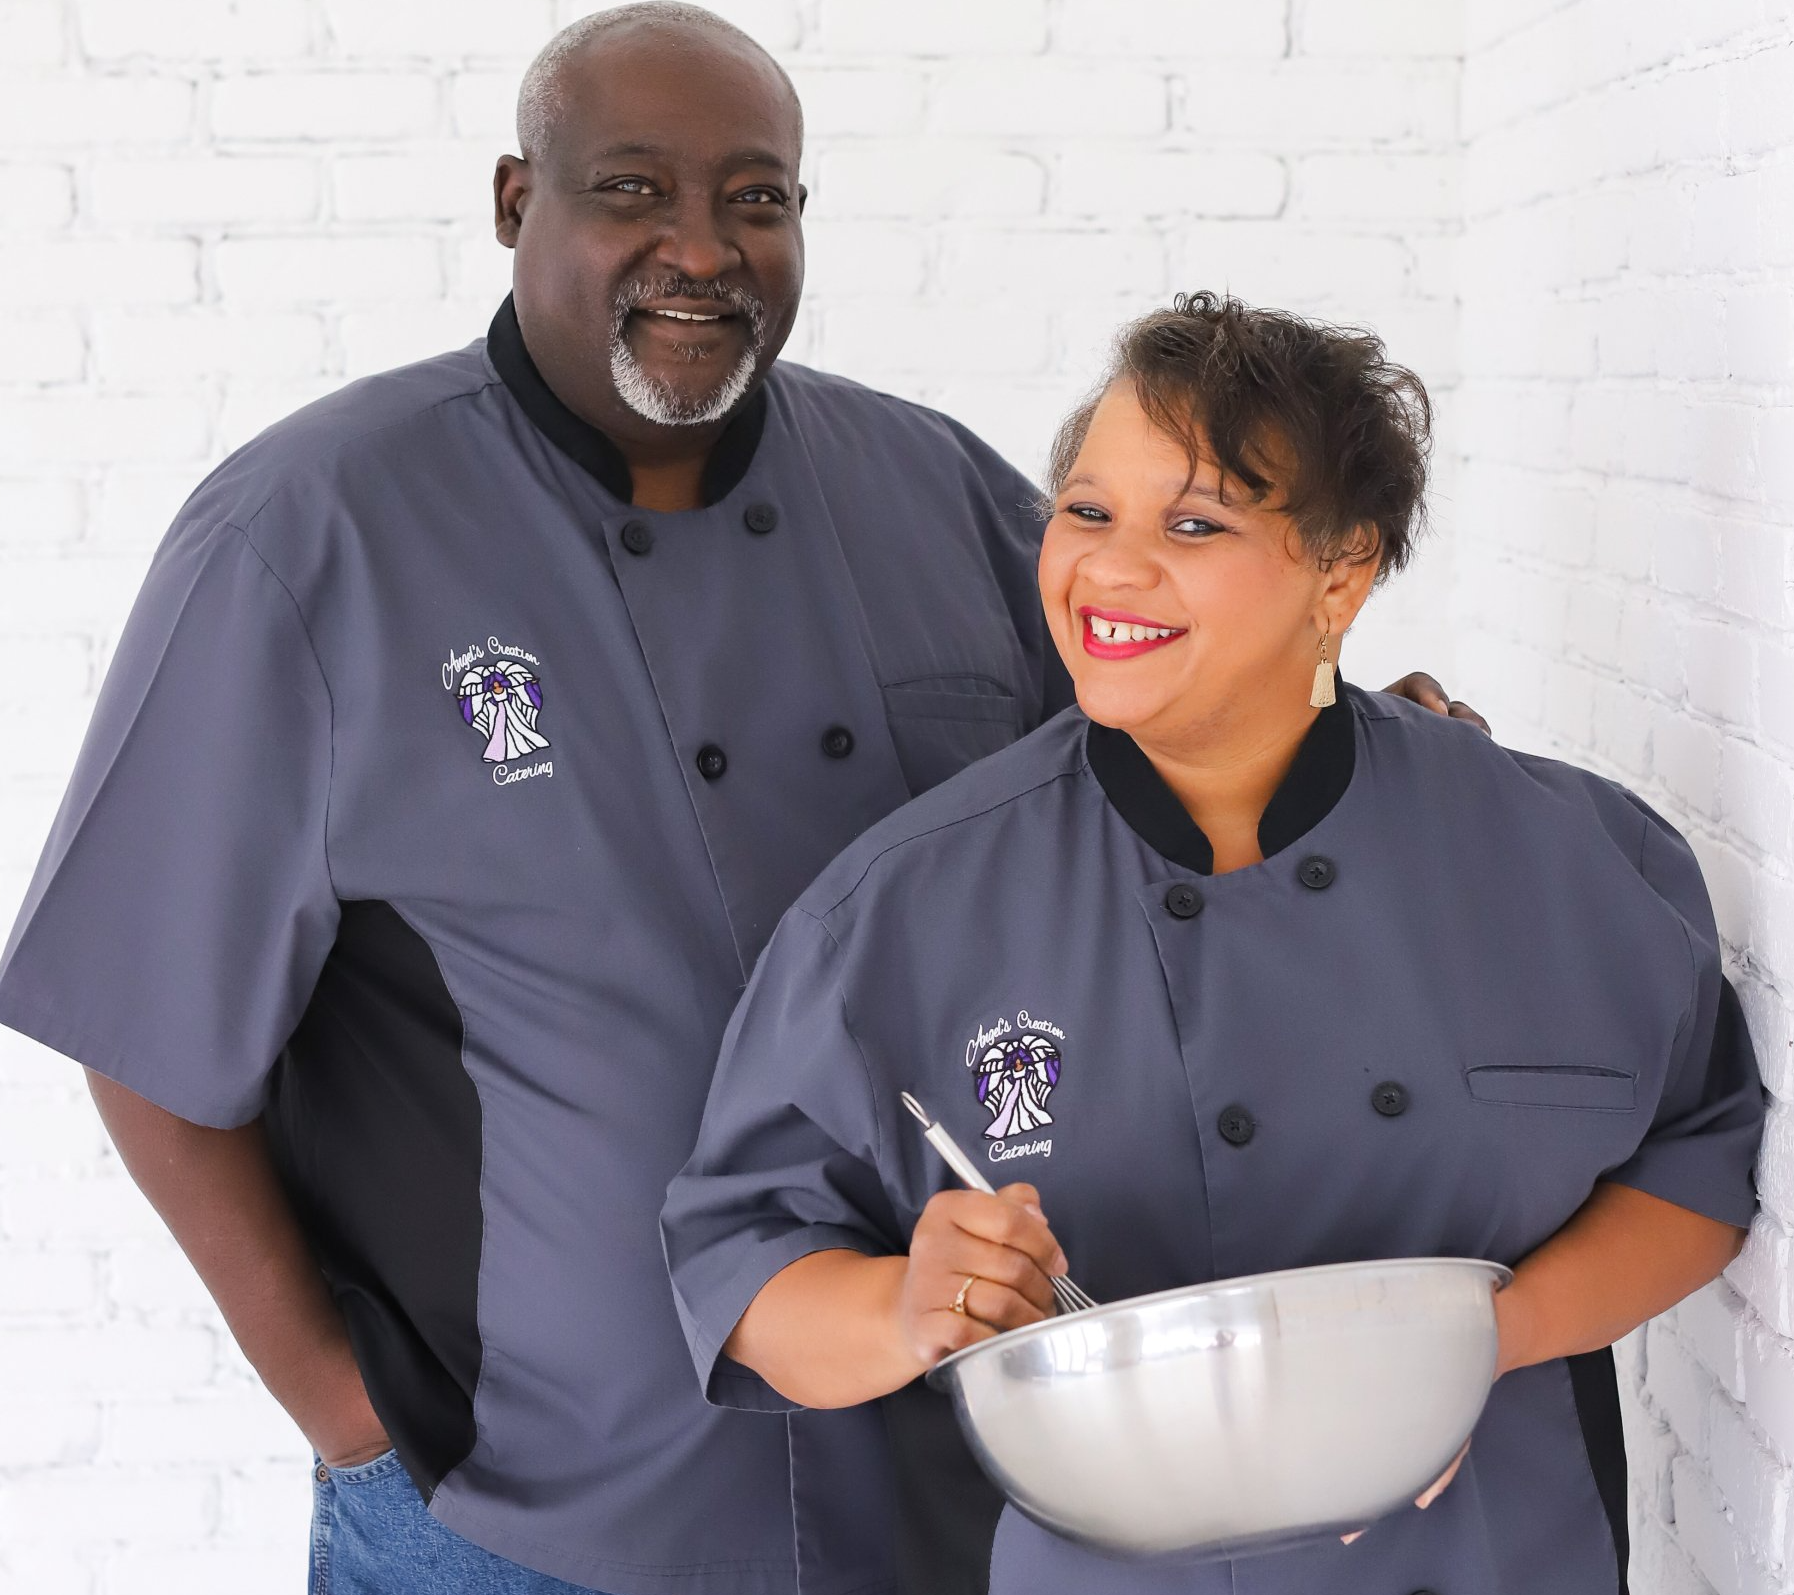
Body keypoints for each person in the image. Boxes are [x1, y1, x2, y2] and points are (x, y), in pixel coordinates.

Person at [0, 8, 1477, 1593]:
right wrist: (352, 1416)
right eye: (633, 190)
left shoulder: (932, 489)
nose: (699, 249)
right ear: (517, 201)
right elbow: (147, 1041)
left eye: (755, 199)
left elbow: (1136, 812)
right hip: (530, 1510)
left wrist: (1328, 744)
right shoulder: (309, 538)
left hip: (943, 1475)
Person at [662, 293, 1764, 1595]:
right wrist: (909, 1301)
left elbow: (1696, 1168)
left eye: (1193, 523)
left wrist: (1481, 1343)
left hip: (1491, 1560)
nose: (1110, 567)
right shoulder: (900, 908)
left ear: (1341, 569)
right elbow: (744, 1268)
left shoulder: (1572, 860)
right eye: (1085, 511)